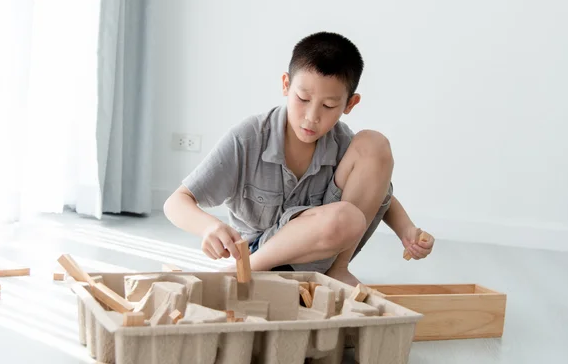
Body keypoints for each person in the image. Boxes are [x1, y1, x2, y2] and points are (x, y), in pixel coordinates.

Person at [163, 31, 434, 286]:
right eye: (303, 98)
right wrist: (209, 227)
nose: (312, 116)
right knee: (346, 217)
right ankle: (240, 273)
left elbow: (375, 187)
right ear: (286, 85)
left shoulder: (342, 142)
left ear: (350, 105)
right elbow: (176, 202)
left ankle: (338, 271)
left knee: (374, 145)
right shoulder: (248, 138)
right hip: (261, 256)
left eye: (328, 106)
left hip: (322, 255)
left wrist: (406, 230)